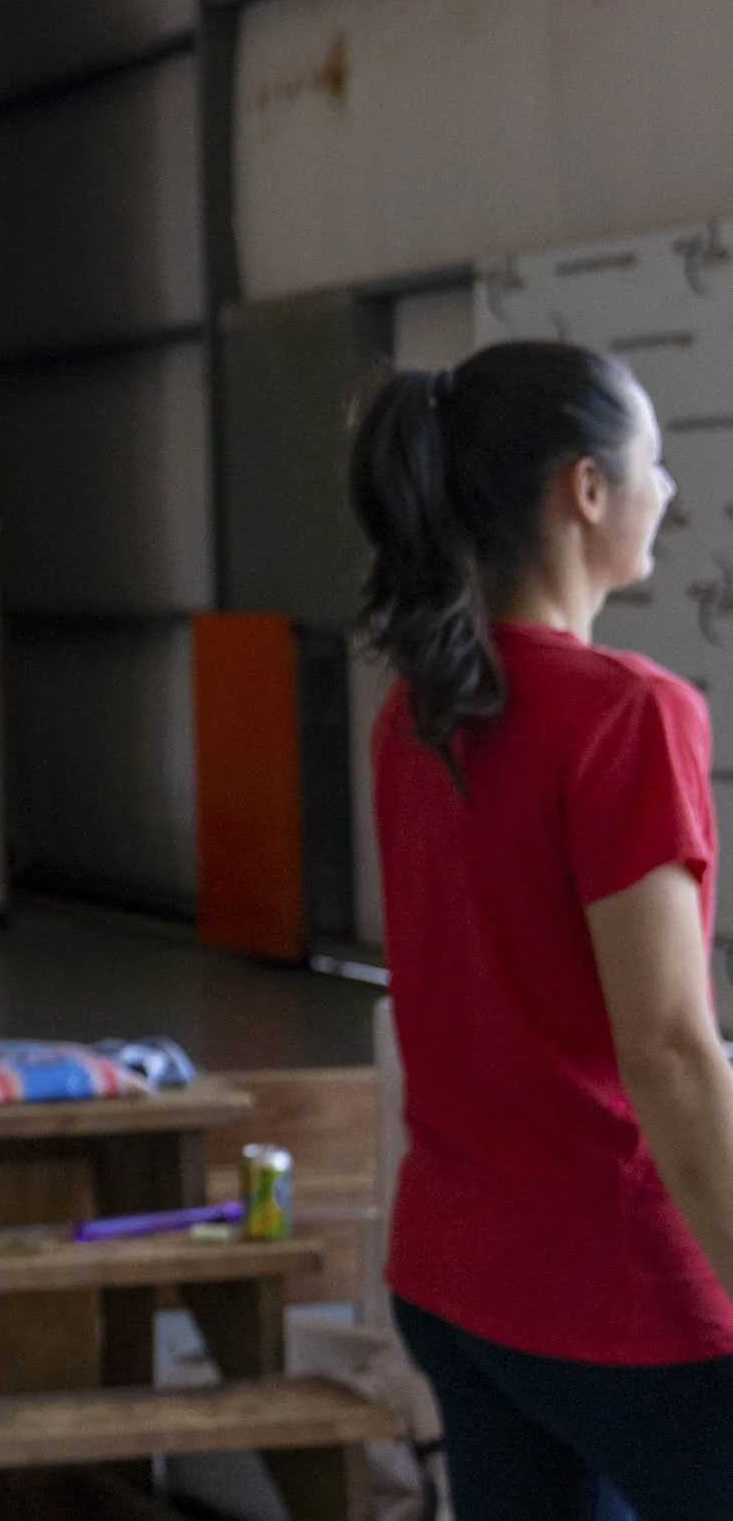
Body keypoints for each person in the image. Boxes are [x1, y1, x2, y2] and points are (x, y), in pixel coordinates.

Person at [353, 340, 733, 1520]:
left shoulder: (417, 713)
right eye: (654, 465)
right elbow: (669, 1048)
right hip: (617, 1296)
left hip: (457, 1279)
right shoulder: (628, 715)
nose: (668, 490)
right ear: (584, 488)